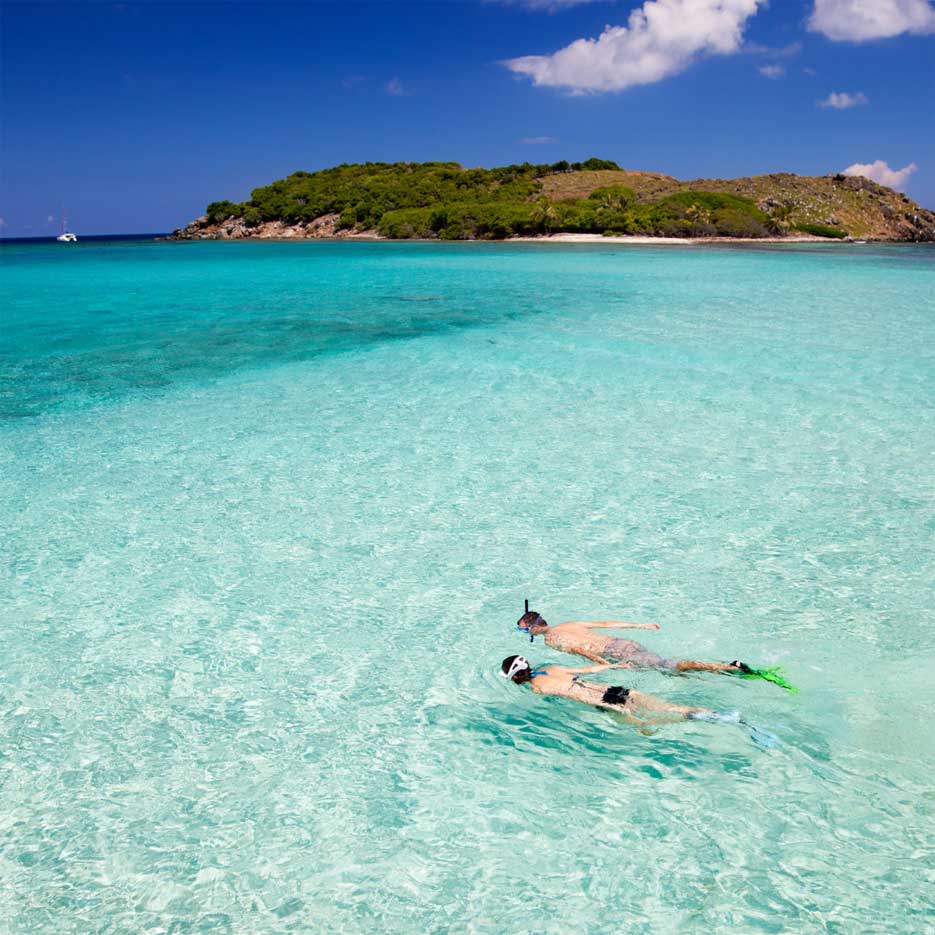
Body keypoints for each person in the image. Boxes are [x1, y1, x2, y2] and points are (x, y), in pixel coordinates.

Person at [499, 655, 777, 746]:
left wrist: (620, 713)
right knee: (671, 708)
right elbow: (589, 671)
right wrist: (615, 665)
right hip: (617, 688)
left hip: (606, 702)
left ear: (514, 677)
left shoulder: (538, 688)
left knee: (649, 726)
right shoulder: (552, 669)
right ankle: (724, 716)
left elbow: (575, 696)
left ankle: (712, 719)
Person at [515, 606, 746, 674]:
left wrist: (609, 666)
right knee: (667, 669)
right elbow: (606, 624)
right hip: (624, 643)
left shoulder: (552, 640)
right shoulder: (569, 623)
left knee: (668, 665)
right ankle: (714, 671)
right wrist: (641, 625)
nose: (527, 635)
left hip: (618, 654)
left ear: (535, 628)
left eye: (526, 631)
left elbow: (581, 651)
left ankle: (727, 666)